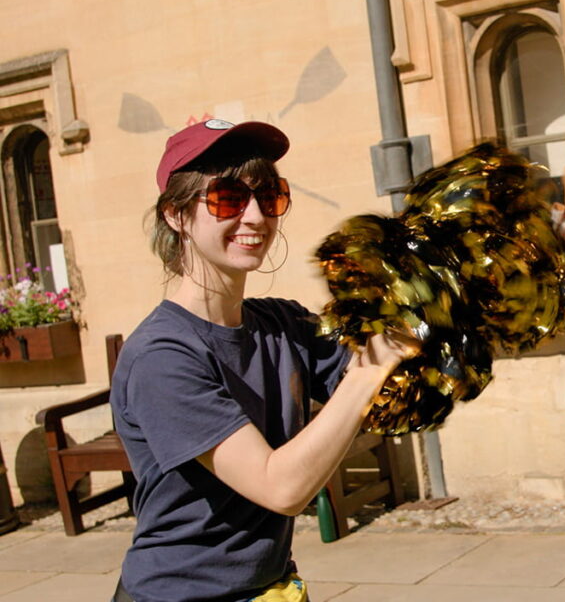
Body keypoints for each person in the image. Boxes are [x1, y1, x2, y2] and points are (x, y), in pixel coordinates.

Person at [109, 119, 417, 602]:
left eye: (269, 197)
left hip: (269, 587)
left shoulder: (281, 324)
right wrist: (369, 372)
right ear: (175, 215)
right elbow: (282, 488)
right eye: (228, 198)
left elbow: (402, 387)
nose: (255, 216)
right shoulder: (162, 356)